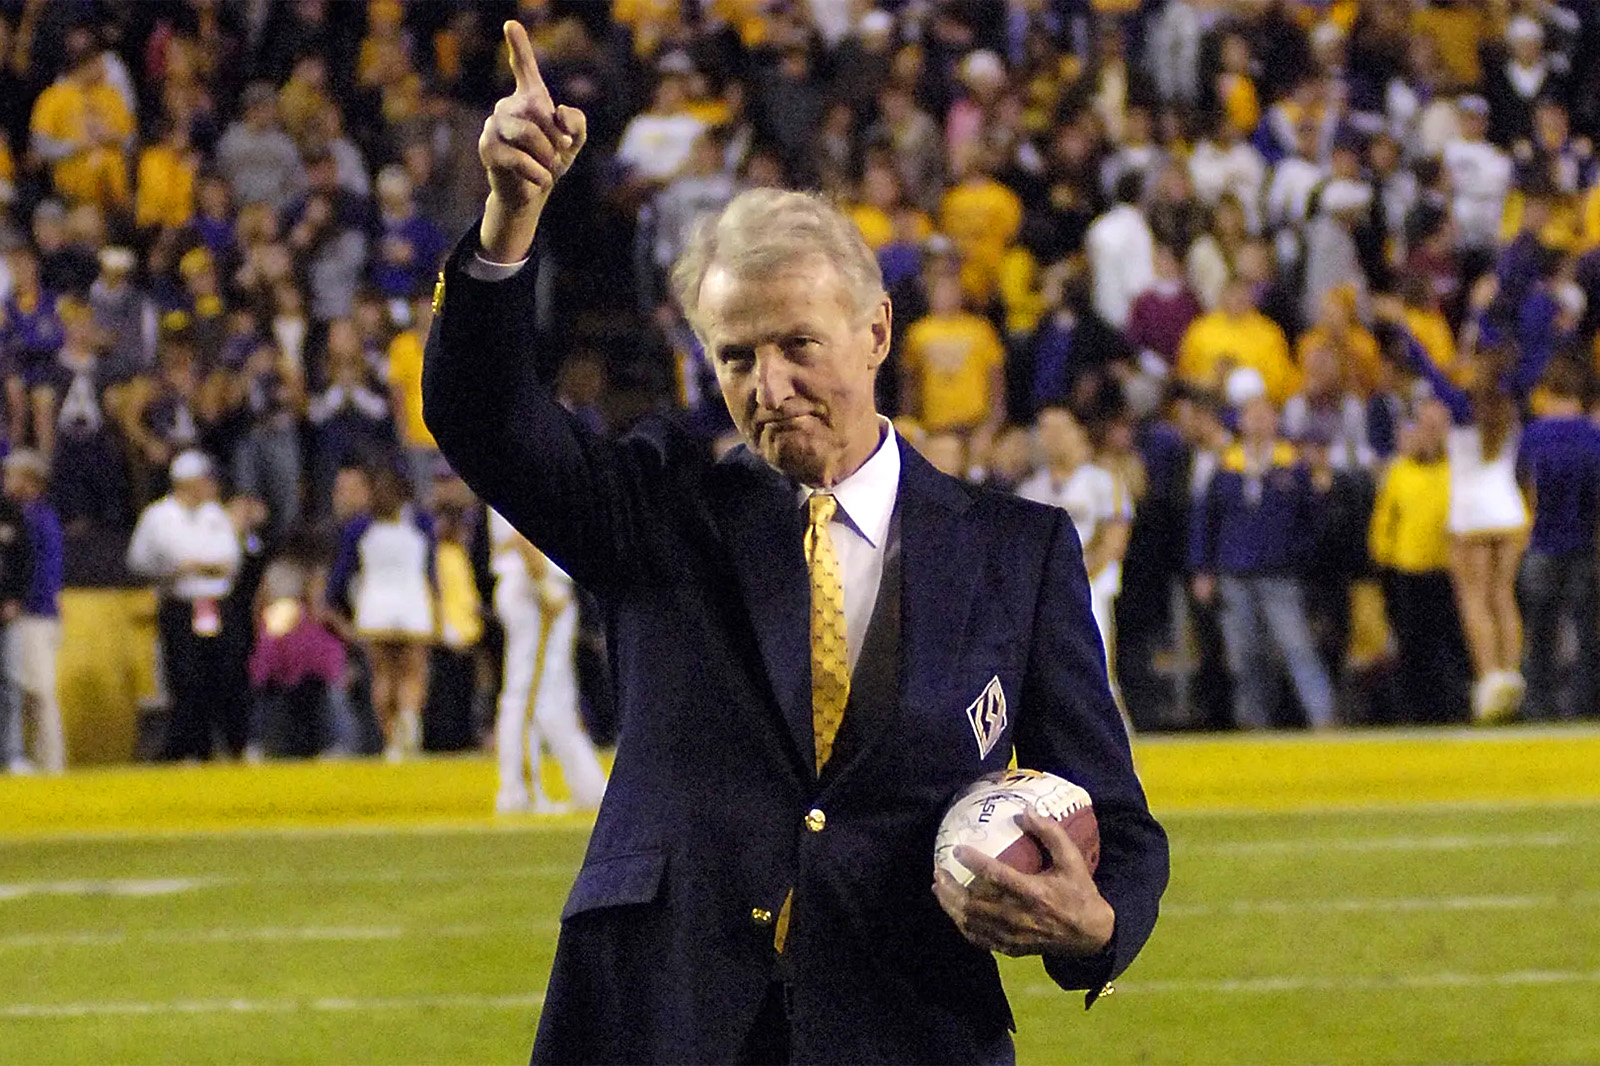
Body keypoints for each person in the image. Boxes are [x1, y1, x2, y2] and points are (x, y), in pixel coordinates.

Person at [422, 24, 1166, 1064]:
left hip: (904, 1025)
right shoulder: (657, 507)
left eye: (797, 346)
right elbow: (482, 415)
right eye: (736, 357)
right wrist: (509, 215)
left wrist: (1098, 924)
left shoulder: (1017, 552)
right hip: (663, 1015)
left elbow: (1117, 824)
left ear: (875, 331)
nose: (768, 388)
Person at [125, 451, 244, 760]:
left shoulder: (214, 515)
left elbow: (228, 560)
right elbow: (140, 562)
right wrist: (177, 569)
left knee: (224, 671)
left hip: (215, 603)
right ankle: (190, 746)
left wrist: (194, 566)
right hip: (181, 603)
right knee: (186, 677)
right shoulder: (159, 516)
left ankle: (230, 744)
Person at [489, 508, 606, 815]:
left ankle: (589, 787)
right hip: (532, 586)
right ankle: (518, 791)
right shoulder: (512, 463)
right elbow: (521, 531)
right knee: (527, 692)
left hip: (538, 584)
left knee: (556, 694)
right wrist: (542, 581)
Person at [1017, 409, 1133, 710]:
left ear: (1078, 432)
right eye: (1045, 429)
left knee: (1096, 670)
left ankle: (1116, 749)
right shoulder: (1029, 488)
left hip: (1091, 589)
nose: (1052, 437)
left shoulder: (1105, 481)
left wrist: (1074, 578)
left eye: (1060, 428)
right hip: (1042, 595)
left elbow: (1114, 541)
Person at [326, 466, 435, 761]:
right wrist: (436, 605)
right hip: (412, 602)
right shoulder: (422, 522)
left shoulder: (359, 527)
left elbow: (340, 575)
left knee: (383, 675)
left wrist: (338, 610)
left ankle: (392, 742)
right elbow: (431, 570)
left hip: (376, 605)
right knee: (413, 673)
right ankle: (410, 719)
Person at [2, 452, 63, 774]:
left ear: (31, 481)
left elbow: (44, 572)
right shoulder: (19, 515)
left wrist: (22, 602)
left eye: (12, 475)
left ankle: (51, 765)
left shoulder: (38, 519)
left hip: (35, 615)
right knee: (23, 692)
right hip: (28, 613)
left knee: (39, 690)